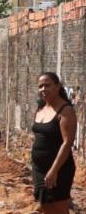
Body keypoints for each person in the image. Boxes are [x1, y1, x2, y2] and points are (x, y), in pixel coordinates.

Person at [31, 72, 76, 213]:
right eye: (40, 86)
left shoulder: (65, 110)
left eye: (47, 85)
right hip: (39, 168)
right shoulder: (40, 108)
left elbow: (67, 142)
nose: (43, 89)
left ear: (58, 86)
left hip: (59, 169)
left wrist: (54, 170)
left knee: (59, 208)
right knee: (45, 206)